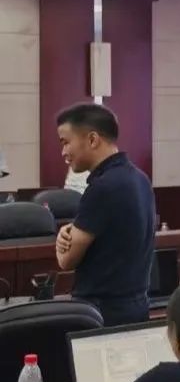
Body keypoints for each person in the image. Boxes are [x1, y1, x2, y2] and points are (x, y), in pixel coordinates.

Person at [54, 103, 156, 326]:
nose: (63, 152)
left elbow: (67, 260)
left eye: (66, 142)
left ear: (92, 139)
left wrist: (61, 244)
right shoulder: (141, 179)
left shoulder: (101, 188)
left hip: (101, 315)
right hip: (138, 306)